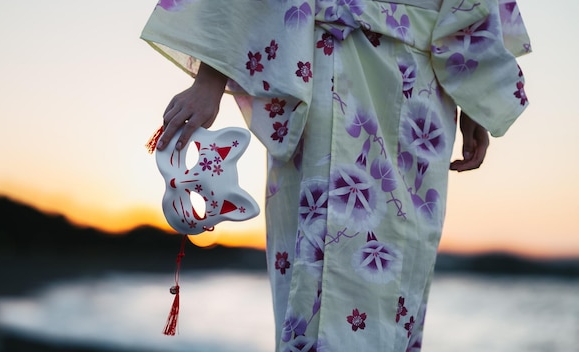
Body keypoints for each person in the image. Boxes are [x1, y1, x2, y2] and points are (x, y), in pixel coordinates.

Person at [141, 0, 531, 350]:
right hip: (326, 71)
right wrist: (210, 77)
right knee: (312, 287)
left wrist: (477, 96)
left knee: (398, 298)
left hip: (422, 96)